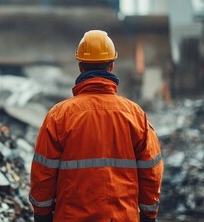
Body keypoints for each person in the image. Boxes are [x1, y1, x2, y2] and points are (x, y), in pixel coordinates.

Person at [29, 30, 164, 222]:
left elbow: (43, 172)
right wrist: (148, 214)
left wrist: (41, 214)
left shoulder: (59, 116)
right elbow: (151, 171)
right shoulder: (134, 115)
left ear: (81, 67)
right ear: (111, 66)